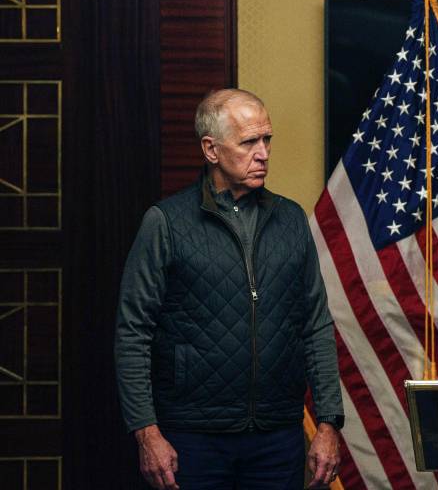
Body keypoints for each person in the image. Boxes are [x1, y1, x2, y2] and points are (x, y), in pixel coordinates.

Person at [115, 89, 343, 490]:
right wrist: (146, 432)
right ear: (211, 150)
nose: (263, 153)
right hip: (191, 437)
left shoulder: (290, 220)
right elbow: (132, 333)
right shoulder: (165, 223)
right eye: (248, 142)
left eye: (266, 139)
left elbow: (316, 326)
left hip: (278, 436)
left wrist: (328, 424)